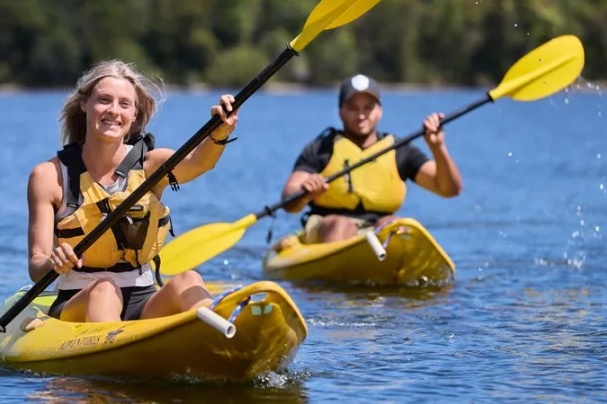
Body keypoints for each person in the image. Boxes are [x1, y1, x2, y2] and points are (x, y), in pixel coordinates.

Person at [26, 59, 239, 323]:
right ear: (85, 104)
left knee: (189, 279)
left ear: (134, 114)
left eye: (124, 104)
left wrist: (219, 133)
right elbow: (37, 267)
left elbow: (198, 163)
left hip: (143, 299)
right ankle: (108, 357)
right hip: (78, 301)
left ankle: (224, 341)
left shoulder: (151, 166)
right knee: (104, 290)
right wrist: (52, 262)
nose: (114, 111)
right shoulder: (49, 176)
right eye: (104, 100)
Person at [274, 74, 462, 250]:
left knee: (395, 226)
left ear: (379, 111)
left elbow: (449, 189)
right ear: (340, 112)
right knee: (342, 225)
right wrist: (305, 193)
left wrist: (438, 148)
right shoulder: (321, 148)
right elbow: (289, 200)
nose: (361, 115)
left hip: (377, 226)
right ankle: (336, 276)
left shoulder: (400, 150)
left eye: (368, 107)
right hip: (326, 226)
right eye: (353, 108)